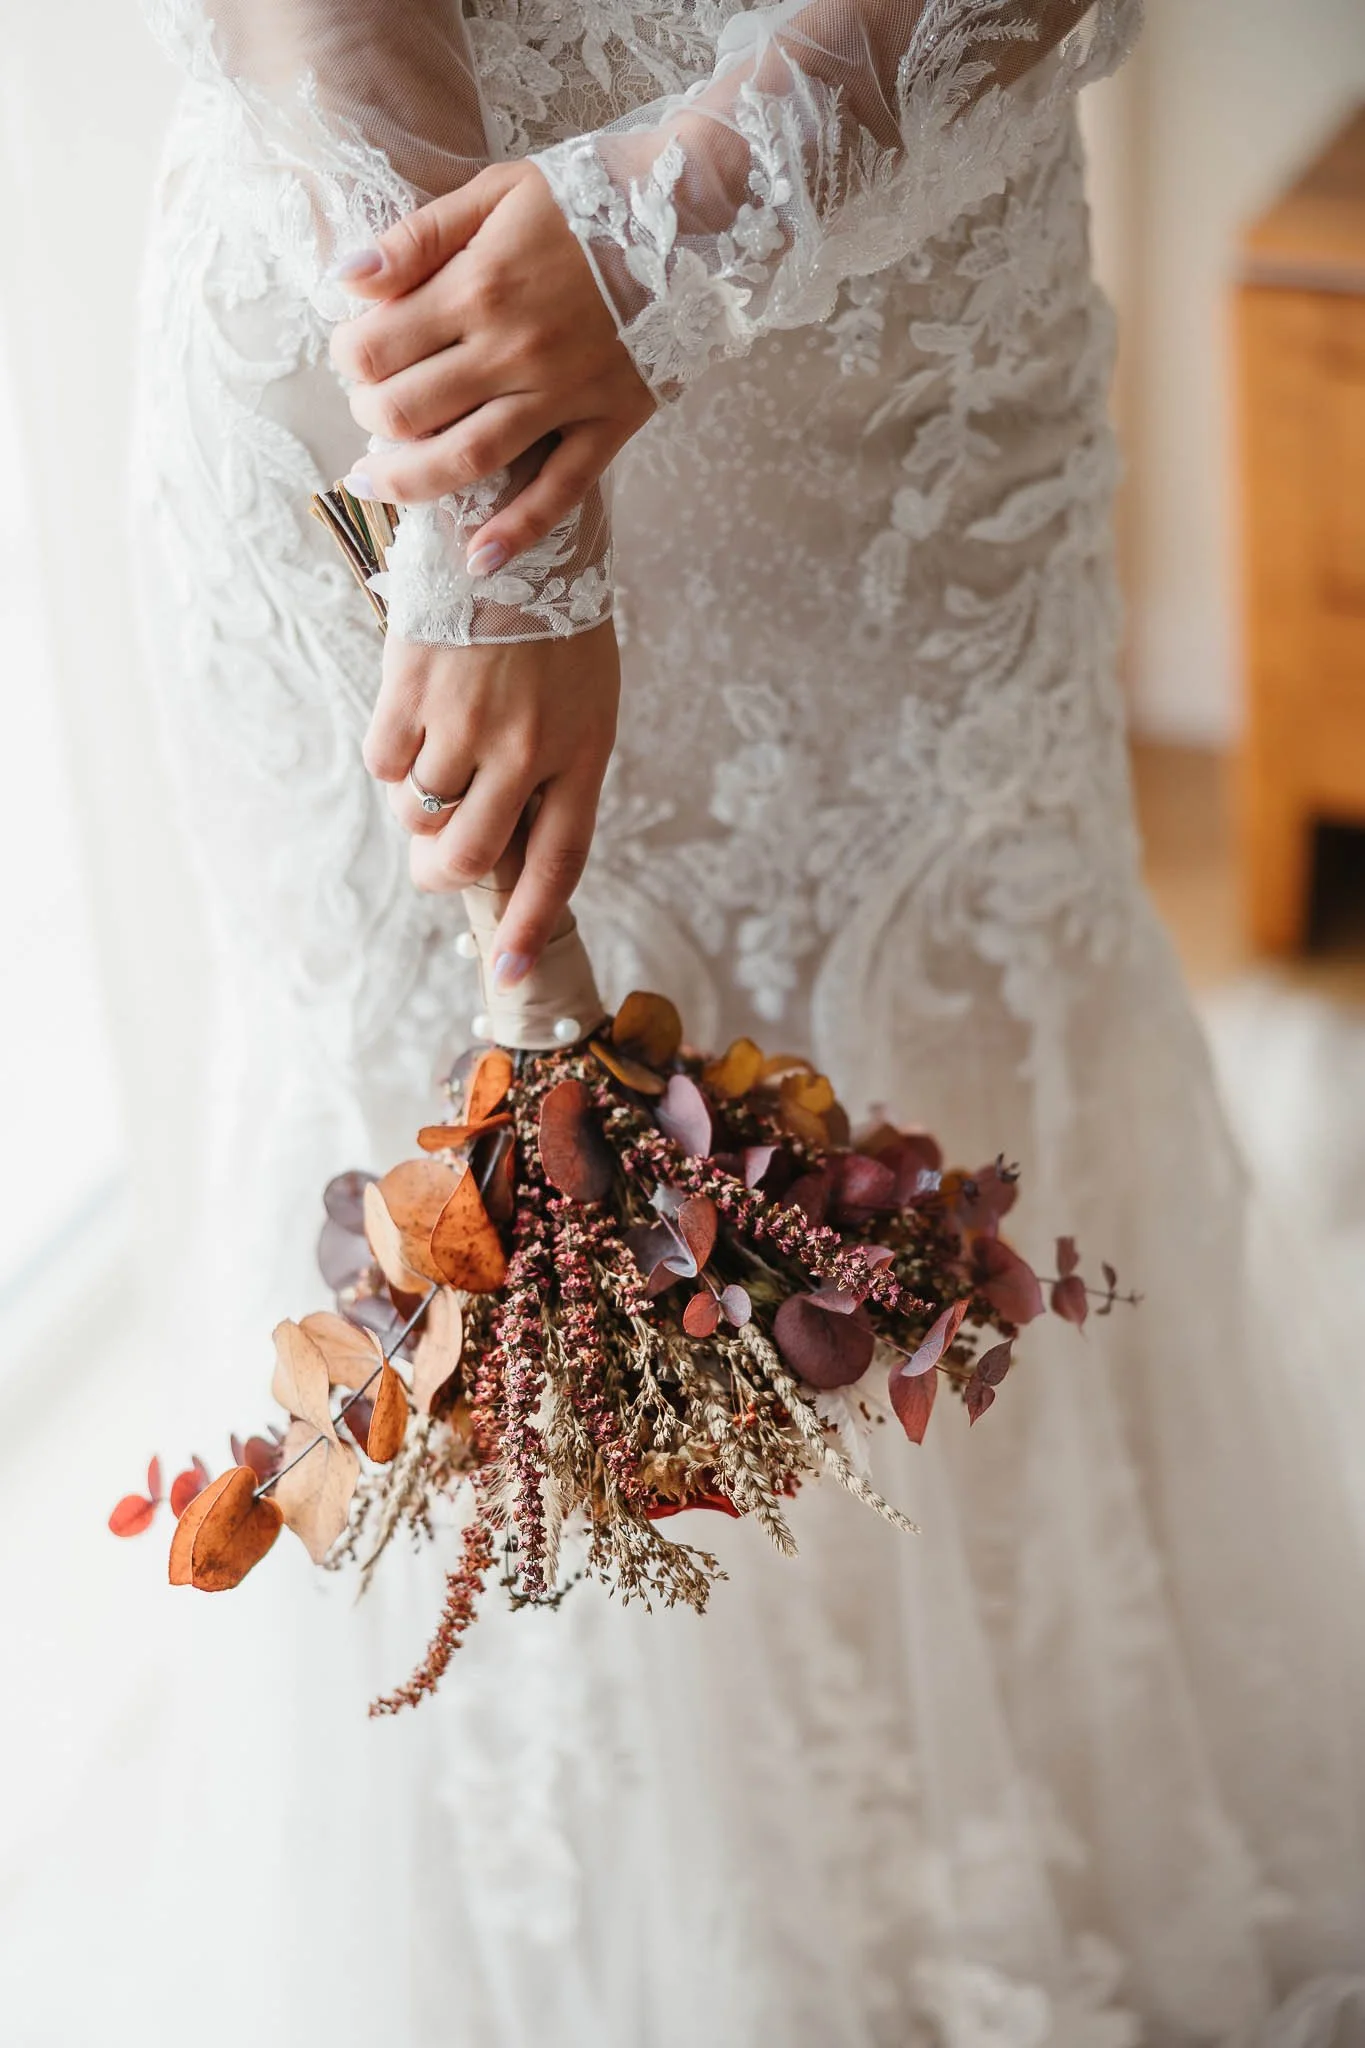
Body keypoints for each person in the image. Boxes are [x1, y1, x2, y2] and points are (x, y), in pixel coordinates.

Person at [126, 1, 1365, 2040]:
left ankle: (1010, 1838)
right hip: (354, 295)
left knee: (948, 1095)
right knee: (434, 1198)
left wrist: (662, 233)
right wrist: (492, 547)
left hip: (881, 331)